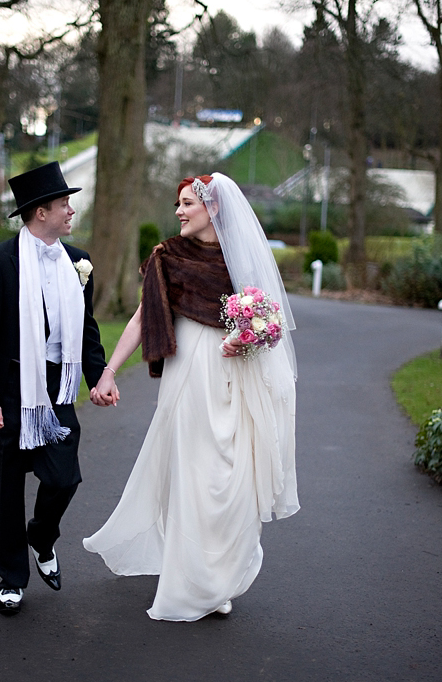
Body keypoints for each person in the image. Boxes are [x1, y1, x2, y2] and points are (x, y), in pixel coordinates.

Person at [84, 172, 299, 622]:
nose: (179, 211)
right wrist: (108, 372)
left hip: (237, 377)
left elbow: (267, 324)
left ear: (212, 208)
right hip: (189, 378)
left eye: (187, 203)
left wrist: (249, 339)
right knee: (193, 475)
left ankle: (220, 576)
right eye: (178, 204)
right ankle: (190, 580)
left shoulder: (242, 257)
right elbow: (143, 319)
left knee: (233, 478)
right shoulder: (168, 256)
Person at [0, 162, 109, 616]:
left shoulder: (77, 262)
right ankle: (11, 577)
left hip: (58, 388)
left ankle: (42, 539)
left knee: (63, 477)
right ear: (40, 212)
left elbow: (86, 329)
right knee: (8, 488)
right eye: (64, 203)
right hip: (12, 388)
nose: (70, 210)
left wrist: (100, 376)